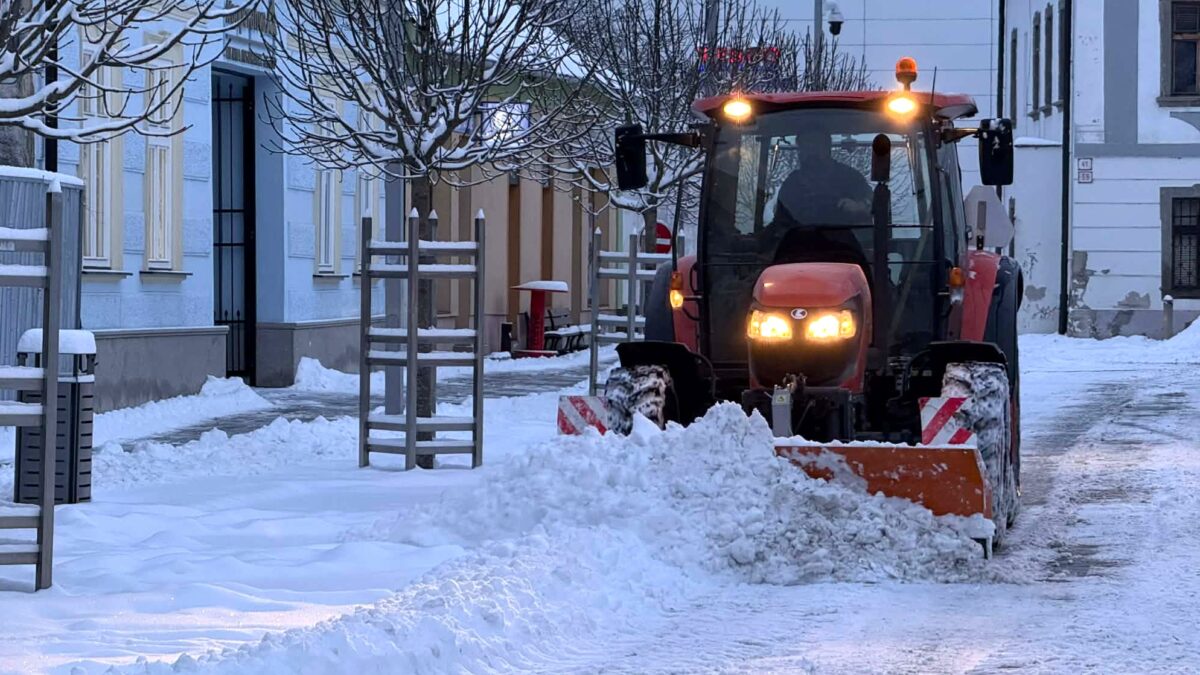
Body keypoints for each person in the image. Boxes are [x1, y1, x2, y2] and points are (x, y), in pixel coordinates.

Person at [773, 128, 873, 228]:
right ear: (800, 151)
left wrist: (859, 206)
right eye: (806, 146)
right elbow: (780, 219)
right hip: (800, 240)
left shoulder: (850, 177)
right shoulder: (792, 183)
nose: (812, 152)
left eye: (816, 146)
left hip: (845, 238)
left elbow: (874, 203)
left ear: (827, 148)